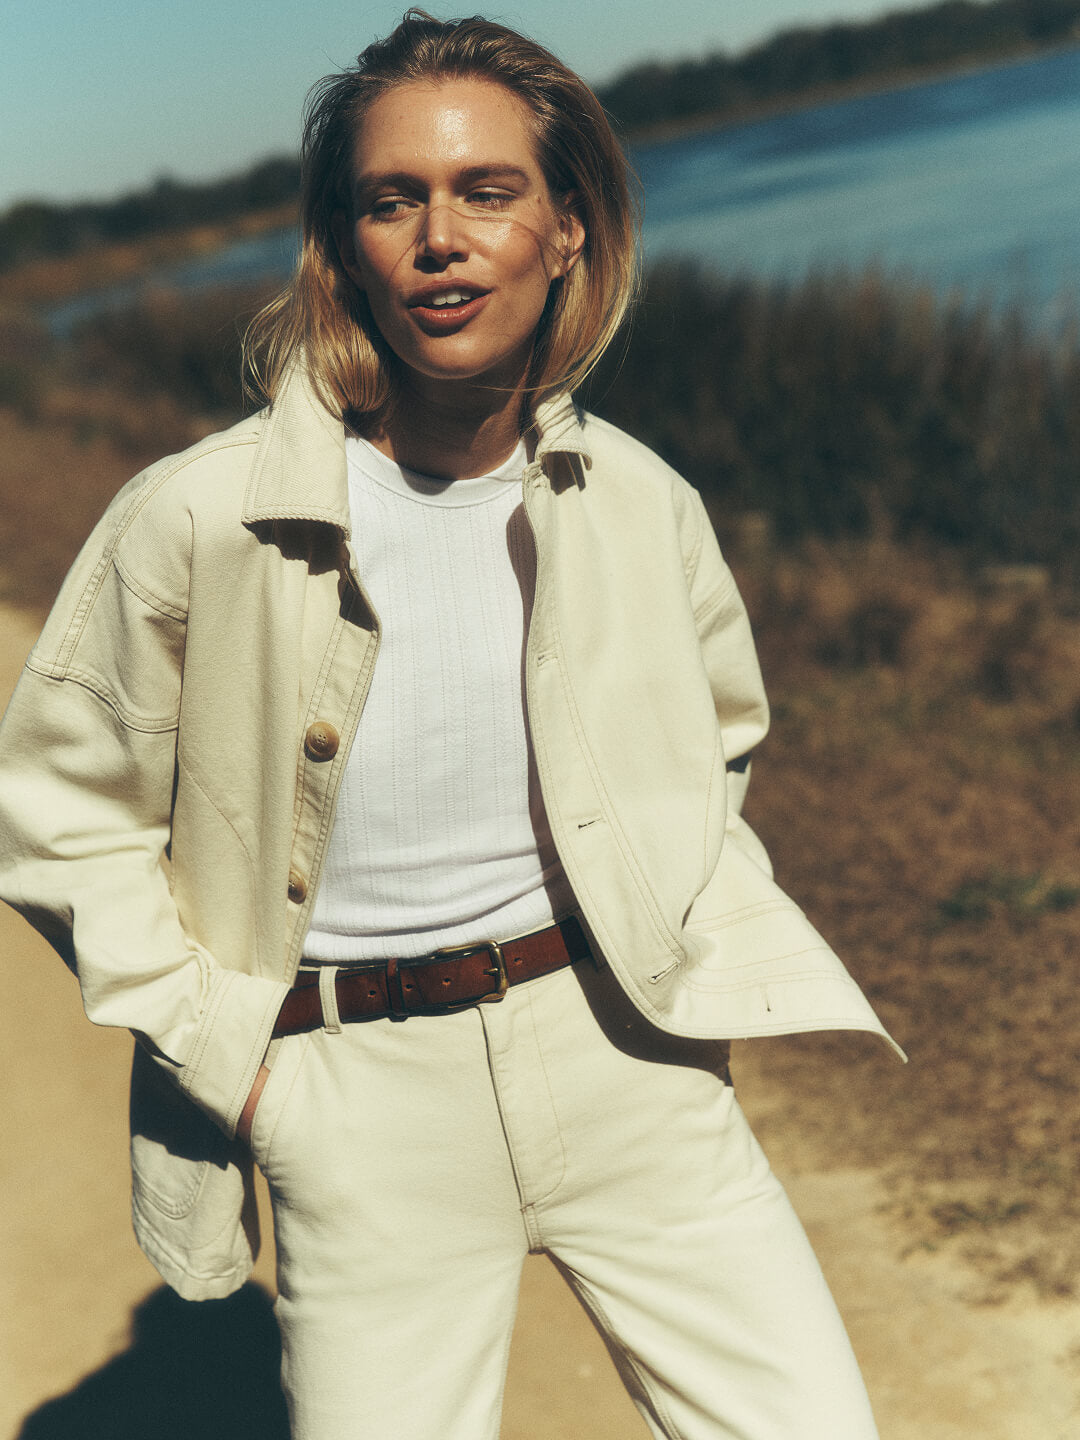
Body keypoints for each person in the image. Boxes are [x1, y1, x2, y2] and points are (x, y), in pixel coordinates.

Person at [0, 11, 901, 1439]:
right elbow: (57, 815)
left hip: (628, 1066)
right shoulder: (200, 515)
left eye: (488, 190)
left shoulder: (640, 498)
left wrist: (660, 930)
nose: (439, 236)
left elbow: (719, 734)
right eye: (391, 197)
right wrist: (237, 1059)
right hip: (353, 1101)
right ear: (342, 243)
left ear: (568, 233)